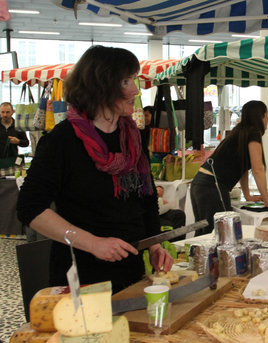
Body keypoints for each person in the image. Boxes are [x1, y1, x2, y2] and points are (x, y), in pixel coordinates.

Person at [17, 46, 173, 293]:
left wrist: (154, 245)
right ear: (101, 86)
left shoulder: (132, 137)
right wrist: (93, 243)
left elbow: (146, 197)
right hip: (81, 277)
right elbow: (30, 208)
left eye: (133, 79)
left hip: (130, 274)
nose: (135, 89)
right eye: (125, 81)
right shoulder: (62, 141)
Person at [190, 100, 268, 234]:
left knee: (205, 233)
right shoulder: (253, 132)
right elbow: (258, 169)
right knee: (220, 234)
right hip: (212, 186)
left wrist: (247, 195)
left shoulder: (240, 131)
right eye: (266, 115)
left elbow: (242, 168)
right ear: (260, 116)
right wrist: (267, 201)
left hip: (202, 183)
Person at [0, 102, 29, 175]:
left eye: (7, 112)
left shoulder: (18, 125)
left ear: (12, 112)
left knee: (12, 184)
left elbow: (26, 143)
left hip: (12, 163)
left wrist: (18, 141)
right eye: (2, 112)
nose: (5, 115)